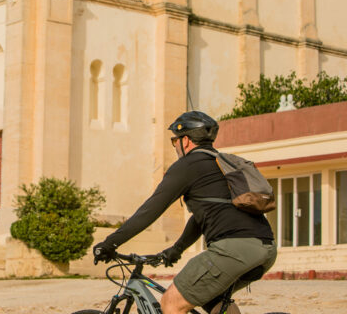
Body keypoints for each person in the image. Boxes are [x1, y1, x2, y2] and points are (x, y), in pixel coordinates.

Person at [93, 111, 277, 314]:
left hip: (234, 249)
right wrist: (177, 249)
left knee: (172, 303)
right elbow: (201, 219)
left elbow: (150, 210)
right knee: (212, 298)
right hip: (266, 248)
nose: (175, 147)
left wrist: (110, 243)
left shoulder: (187, 166)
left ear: (186, 141)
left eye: (175, 141)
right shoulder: (219, 164)